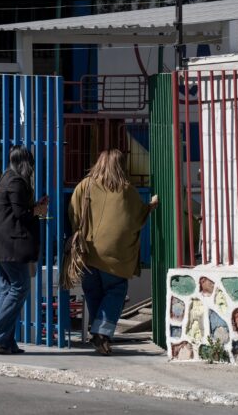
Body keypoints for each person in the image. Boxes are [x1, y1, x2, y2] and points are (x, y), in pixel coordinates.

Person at [69, 149, 158, 355]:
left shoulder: (85, 185)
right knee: (116, 291)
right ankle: (102, 332)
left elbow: (73, 213)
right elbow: (136, 218)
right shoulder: (126, 190)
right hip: (114, 257)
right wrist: (151, 206)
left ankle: (98, 333)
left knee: (93, 293)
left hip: (87, 252)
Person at [0, 145, 48, 355]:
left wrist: (35, 206)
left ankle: (4, 342)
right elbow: (21, 214)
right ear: (26, 163)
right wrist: (38, 209)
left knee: (7, 290)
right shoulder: (17, 181)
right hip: (10, 246)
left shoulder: (5, 177)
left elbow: (15, 209)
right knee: (20, 288)